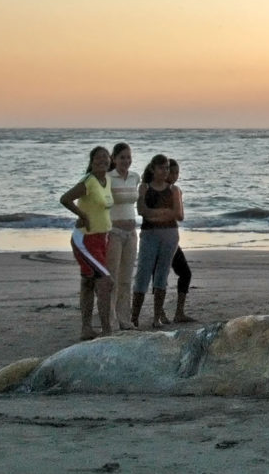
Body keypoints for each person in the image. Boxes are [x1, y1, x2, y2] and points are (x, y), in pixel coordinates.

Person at [59, 146, 114, 340]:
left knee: (88, 283)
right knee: (105, 281)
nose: (102, 161)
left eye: (105, 158)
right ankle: (107, 330)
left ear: (110, 161)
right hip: (85, 239)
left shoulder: (106, 181)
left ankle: (86, 329)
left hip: (101, 239)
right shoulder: (88, 181)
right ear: (91, 162)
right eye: (98, 158)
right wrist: (82, 215)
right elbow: (65, 199)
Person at [131, 154, 184, 328]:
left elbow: (177, 214)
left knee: (162, 275)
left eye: (167, 168)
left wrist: (154, 213)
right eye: (161, 167)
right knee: (143, 274)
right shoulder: (144, 187)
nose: (165, 171)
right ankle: (134, 318)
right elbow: (141, 210)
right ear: (153, 169)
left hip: (169, 234)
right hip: (149, 234)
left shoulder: (173, 190)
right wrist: (162, 213)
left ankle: (156, 317)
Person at [106, 142, 139, 330]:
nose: (126, 161)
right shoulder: (109, 177)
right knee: (112, 277)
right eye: (122, 157)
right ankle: (110, 320)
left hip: (131, 233)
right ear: (114, 159)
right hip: (114, 233)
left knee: (126, 278)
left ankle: (124, 319)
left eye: (128, 157)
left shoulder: (135, 177)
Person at [165, 159, 196, 323]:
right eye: (172, 172)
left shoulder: (176, 190)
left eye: (177, 173)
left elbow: (180, 216)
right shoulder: (155, 189)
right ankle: (160, 312)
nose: (175, 176)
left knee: (185, 273)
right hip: (159, 237)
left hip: (172, 237)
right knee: (160, 276)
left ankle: (179, 312)